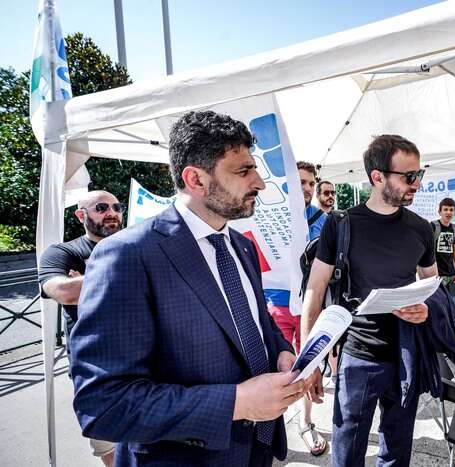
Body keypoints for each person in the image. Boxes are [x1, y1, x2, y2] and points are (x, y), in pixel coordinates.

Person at [70, 111, 306, 467]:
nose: (259, 182)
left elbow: (259, 324)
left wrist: (281, 353)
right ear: (195, 179)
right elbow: (104, 405)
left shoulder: (241, 245)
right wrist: (236, 403)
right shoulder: (127, 255)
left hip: (257, 451)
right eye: (243, 171)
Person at [301, 134, 438, 466]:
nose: (417, 184)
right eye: (409, 176)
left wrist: (426, 308)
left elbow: (433, 285)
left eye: (420, 174)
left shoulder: (421, 228)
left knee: (397, 449)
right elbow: (315, 291)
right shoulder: (341, 224)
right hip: (357, 356)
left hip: (406, 355)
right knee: (347, 450)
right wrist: (309, 362)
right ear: (378, 177)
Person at [38, 190, 124, 467]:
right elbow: (62, 292)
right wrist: (123, 274)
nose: (111, 212)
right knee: (108, 446)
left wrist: (86, 280)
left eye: (116, 206)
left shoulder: (132, 245)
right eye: (101, 207)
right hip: (93, 367)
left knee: (149, 439)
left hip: (143, 360)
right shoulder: (64, 252)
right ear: (81, 215)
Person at [267, 160, 328, 456]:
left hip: (308, 307)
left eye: (310, 184)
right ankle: (270, 426)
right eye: (300, 182)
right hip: (275, 306)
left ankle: (305, 423)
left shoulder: (322, 220)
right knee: (273, 370)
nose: (306, 188)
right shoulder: (267, 216)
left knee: (309, 365)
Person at [432, 197, 455, 287]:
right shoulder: (433, 226)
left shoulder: (454, 228)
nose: (448, 212)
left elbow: (454, 251)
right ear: (439, 212)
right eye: (445, 209)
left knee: (452, 300)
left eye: (451, 210)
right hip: (435, 275)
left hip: (451, 274)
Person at [297, 161, 327, 239]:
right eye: (302, 182)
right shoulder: (275, 215)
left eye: (312, 184)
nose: (308, 189)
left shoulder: (323, 218)